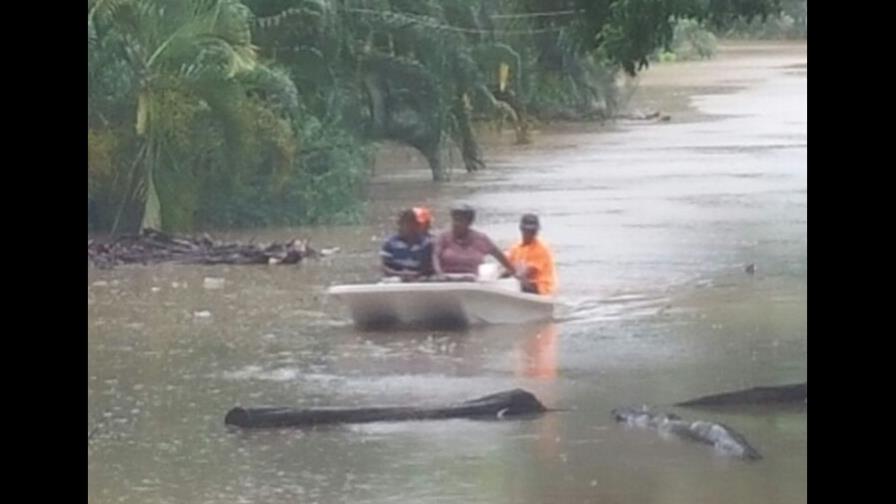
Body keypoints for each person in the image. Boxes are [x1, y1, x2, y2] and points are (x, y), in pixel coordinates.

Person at [432, 204, 516, 277]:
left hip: (473, 282)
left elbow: (500, 257)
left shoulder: (481, 239)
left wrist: (514, 273)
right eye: (455, 219)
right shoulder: (443, 237)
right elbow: (435, 257)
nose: (456, 223)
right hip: (447, 279)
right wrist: (439, 274)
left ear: (469, 222)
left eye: (460, 220)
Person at [506, 213, 556, 295]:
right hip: (525, 283)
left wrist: (511, 273)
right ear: (521, 229)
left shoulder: (542, 249)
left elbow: (527, 272)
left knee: (520, 282)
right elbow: (507, 268)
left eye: (533, 231)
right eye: (528, 231)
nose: (531, 234)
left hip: (541, 288)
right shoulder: (516, 248)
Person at [381, 209, 434, 280]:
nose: (411, 227)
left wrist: (416, 275)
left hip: (419, 279)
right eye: (407, 223)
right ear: (400, 225)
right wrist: (402, 274)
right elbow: (385, 268)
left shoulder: (426, 243)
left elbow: (428, 267)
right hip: (395, 278)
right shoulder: (390, 243)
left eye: (413, 223)